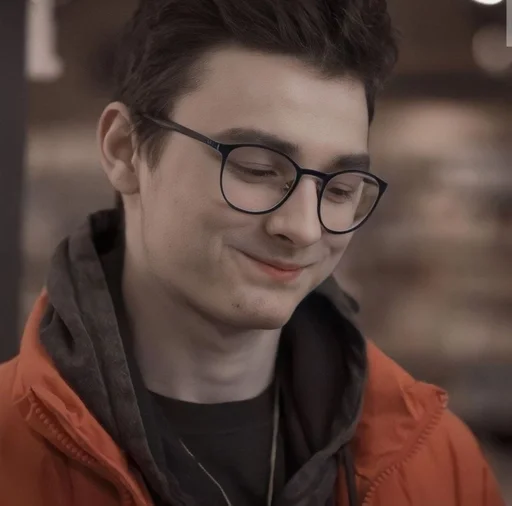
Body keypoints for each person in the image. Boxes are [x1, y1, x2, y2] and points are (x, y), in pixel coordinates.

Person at [0, 0, 505, 505]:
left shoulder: (438, 462)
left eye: (340, 188)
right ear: (125, 150)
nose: (304, 228)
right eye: (258, 169)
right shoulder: (12, 451)